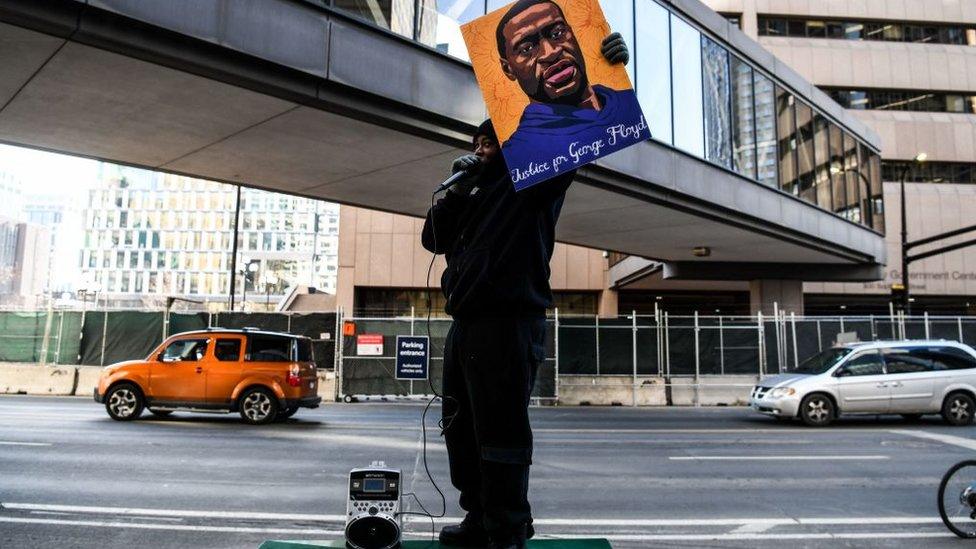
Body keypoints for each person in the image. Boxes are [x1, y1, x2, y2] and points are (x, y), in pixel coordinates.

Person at [421, 23, 628, 549]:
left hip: (509, 321)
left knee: (501, 431)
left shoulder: (531, 181)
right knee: (460, 426)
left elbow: (581, 130)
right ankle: (479, 517)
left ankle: (507, 527)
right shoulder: (466, 194)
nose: (482, 148)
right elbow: (431, 239)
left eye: (492, 141)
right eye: (477, 142)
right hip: (466, 324)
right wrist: (451, 191)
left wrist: (609, 69)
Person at [495, 0, 641, 188]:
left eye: (557, 34)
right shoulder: (520, 152)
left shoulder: (623, 105)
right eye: (527, 49)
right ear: (508, 69)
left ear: (574, 34)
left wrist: (615, 69)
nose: (551, 52)